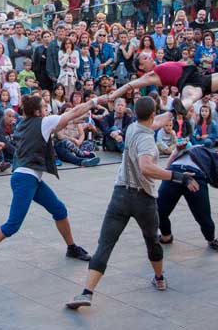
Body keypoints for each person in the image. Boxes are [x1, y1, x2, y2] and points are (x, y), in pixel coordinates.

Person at [66, 97, 198, 309]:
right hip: (143, 199)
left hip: (120, 195)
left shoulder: (133, 128)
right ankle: (159, 278)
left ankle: (86, 292)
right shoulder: (146, 139)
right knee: (151, 240)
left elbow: (153, 122)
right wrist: (178, 177)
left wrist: (173, 113)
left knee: (105, 243)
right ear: (153, 114)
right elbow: (146, 167)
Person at [0, 94, 102, 272]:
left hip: (28, 177)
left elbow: (61, 123)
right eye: (44, 107)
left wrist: (75, 118)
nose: (46, 109)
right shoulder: (43, 122)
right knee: (13, 224)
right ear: (37, 111)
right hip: (25, 179)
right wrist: (94, 102)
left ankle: (71, 247)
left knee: (59, 210)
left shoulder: (24, 122)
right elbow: (71, 112)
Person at [111, 53, 218, 116]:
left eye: (148, 56)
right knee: (192, 96)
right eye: (145, 59)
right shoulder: (149, 76)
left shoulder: (162, 65)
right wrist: (112, 96)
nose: (150, 58)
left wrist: (201, 62)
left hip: (199, 77)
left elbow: (181, 64)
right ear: (140, 66)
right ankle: (181, 105)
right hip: (187, 83)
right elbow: (128, 86)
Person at [158, 144, 218, 253]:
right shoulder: (196, 148)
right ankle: (166, 236)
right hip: (175, 173)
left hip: (195, 177)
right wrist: (176, 151)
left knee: (203, 216)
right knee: (159, 212)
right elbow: (167, 169)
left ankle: (211, 239)